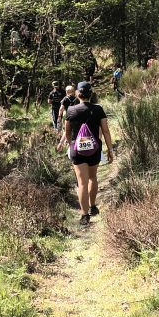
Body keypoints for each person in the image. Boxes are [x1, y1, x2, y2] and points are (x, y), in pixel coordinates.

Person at [57, 82, 114, 225]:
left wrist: (71, 144)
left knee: (82, 182)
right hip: (95, 149)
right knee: (93, 178)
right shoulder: (98, 109)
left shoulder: (71, 110)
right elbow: (106, 131)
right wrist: (110, 150)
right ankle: (93, 206)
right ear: (91, 93)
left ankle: (84, 215)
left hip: (77, 150)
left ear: (77, 93)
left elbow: (67, 132)